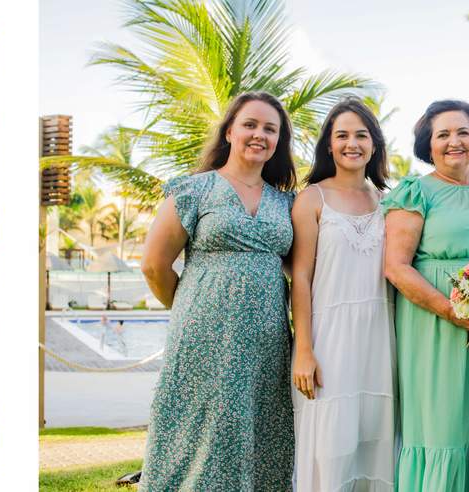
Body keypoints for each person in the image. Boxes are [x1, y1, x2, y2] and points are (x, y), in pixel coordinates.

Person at [139, 92, 297, 489]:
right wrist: (193, 308)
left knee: (260, 435)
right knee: (198, 436)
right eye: (250, 124)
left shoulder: (287, 203)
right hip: (204, 335)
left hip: (268, 344)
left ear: (279, 140)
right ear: (230, 131)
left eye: (270, 128)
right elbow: (154, 265)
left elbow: (303, 270)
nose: (259, 134)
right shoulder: (195, 190)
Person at [382, 99, 469, 490]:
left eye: (463, 132)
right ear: (428, 144)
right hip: (433, 326)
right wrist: (454, 312)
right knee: (441, 430)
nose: (454, 142)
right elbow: (396, 267)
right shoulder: (416, 192)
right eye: (443, 134)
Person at [290, 98, 396, 491]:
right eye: (342, 135)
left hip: (381, 338)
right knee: (330, 448)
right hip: (328, 340)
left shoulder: (390, 201)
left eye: (361, 135)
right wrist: (304, 349)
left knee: (376, 441)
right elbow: (300, 277)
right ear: (329, 146)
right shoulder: (311, 199)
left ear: (375, 144)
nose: (352, 143)